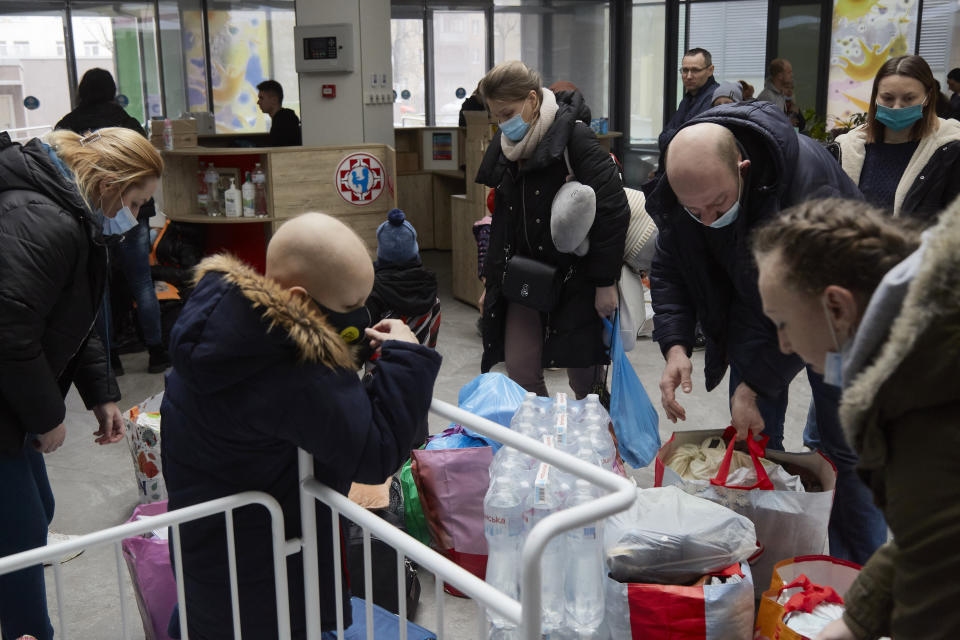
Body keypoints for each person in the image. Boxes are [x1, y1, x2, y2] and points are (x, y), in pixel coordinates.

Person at [160, 213, 441, 638]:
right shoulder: (290, 370)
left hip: (212, 562)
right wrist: (407, 359)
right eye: (350, 308)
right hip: (274, 589)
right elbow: (377, 452)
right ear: (302, 302)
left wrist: (342, 349)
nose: (360, 317)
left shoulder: (226, 325)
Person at [642, 102, 885, 563]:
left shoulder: (804, 181)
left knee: (847, 448)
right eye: (694, 209)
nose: (707, 219)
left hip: (841, 313)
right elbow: (672, 266)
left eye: (717, 204)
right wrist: (675, 346)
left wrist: (754, 381)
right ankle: (762, 565)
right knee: (753, 439)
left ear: (743, 167)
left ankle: (857, 578)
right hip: (758, 305)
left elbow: (809, 307)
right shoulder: (686, 191)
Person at [752, 196, 960, 640]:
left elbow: (942, 573)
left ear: (838, 307)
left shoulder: (926, 395)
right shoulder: (927, 342)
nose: (784, 345)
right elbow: (924, 535)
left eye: (783, 322)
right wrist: (857, 620)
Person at [0, 126, 162, 639]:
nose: (135, 217)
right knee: (22, 533)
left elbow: (76, 312)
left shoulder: (70, 212)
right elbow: (9, 331)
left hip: (10, 396)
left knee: (37, 511)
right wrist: (46, 418)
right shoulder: (43, 218)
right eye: (136, 203)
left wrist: (102, 394)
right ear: (111, 183)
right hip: (8, 395)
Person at [475, 60, 628, 398]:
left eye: (507, 112)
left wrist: (605, 283)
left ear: (532, 99)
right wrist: (492, 281)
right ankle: (543, 446)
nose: (503, 124)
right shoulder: (505, 149)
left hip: (576, 279)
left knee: (585, 382)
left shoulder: (575, 138)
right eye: (497, 116)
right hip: (525, 275)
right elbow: (503, 220)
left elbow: (614, 209)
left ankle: (590, 446)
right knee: (520, 371)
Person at [55, 67, 171, 374]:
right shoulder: (129, 123)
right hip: (134, 219)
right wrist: (136, 207)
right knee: (142, 283)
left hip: (88, 216)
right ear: (112, 90)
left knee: (100, 287)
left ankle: (111, 359)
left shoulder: (68, 126)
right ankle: (157, 351)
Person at [834, 55, 960, 223]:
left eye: (908, 98)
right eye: (888, 98)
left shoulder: (950, 150)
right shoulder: (848, 147)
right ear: (876, 97)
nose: (896, 107)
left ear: (928, 98)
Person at [362, 208, 441, 363]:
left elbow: (366, 338)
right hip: (417, 363)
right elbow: (432, 335)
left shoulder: (373, 290)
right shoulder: (430, 288)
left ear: (381, 250)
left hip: (381, 368)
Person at [657, 48, 720, 151]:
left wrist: (676, 134)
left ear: (710, 70)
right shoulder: (689, 98)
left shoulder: (715, 98)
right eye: (685, 70)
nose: (689, 76)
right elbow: (662, 139)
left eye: (695, 70)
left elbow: (694, 141)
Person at [757, 58, 805, 131]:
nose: (792, 75)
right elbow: (767, 125)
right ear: (780, 76)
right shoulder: (767, 96)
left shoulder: (781, 95)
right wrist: (788, 122)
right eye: (789, 72)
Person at [256, 79, 302, 146]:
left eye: (261, 98)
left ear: (274, 100)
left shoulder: (283, 123)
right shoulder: (282, 119)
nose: (258, 102)